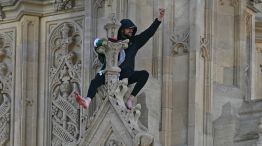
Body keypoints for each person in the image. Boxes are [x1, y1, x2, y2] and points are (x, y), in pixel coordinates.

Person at [75, 8, 165, 110]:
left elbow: (148, 33)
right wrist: (103, 43)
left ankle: (130, 99)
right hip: (112, 73)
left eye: (132, 29)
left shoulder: (134, 42)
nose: (131, 30)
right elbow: (96, 42)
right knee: (96, 80)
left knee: (144, 75)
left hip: (127, 74)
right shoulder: (113, 41)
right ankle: (87, 100)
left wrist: (159, 18)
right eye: (129, 28)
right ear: (122, 29)